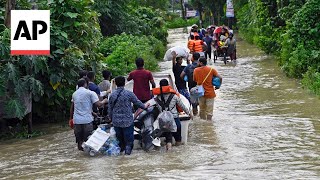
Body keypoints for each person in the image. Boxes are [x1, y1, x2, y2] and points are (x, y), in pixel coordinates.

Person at [108, 76, 148, 155]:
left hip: (116, 122)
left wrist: (111, 119)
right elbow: (137, 103)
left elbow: (110, 109)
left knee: (120, 141)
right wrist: (145, 106)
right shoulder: (129, 94)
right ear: (124, 83)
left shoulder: (112, 95)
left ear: (115, 83)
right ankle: (127, 157)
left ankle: (121, 157)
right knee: (129, 142)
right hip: (128, 121)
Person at [69, 78, 108, 151]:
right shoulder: (90, 93)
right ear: (86, 84)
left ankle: (81, 158)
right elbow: (98, 104)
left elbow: (73, 107)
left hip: (77, 121)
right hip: (87, 121)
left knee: (79, 142)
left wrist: (70, 119)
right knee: (89, 141)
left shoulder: (74, 94)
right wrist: (104, 101)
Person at [154, 79, 191, 150]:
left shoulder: (157, 98)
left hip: (163, 120)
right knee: (178, 139)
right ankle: (177, 152)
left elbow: (157, 110)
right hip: (174, 118)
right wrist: (189, 113)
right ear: (168, 86)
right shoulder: (174, 96)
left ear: (160, 87)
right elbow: (182, 106)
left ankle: (169, 152)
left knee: (168, 138)